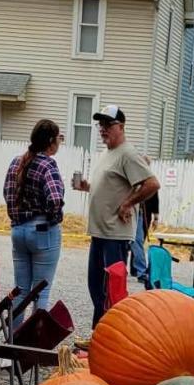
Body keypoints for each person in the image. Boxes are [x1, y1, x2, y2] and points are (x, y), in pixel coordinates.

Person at [71, 106, 159, 323]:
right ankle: (99, 334)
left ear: (121, 126)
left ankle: (114, 338)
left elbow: (152, 184)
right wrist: (87, 187)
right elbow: (111, 188)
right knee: (95, 286)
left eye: (108, 125)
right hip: (99, 232)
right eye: (101, 125)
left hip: (115, 235)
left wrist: (128, 204)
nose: (103, 129)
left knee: (112, 289)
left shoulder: (128, 154)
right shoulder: (107, 153)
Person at [2, 119, 65, 330]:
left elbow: (8, 194)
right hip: (42, 231)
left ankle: (11, 346)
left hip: (18, 230)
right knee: (41, 292)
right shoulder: (47, 164)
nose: (59, 142)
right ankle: (34, 347)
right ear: (50, 141)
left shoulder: (16, 162)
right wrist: (52, 216)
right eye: (59, 138)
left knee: (20, 289)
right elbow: (55, 199)